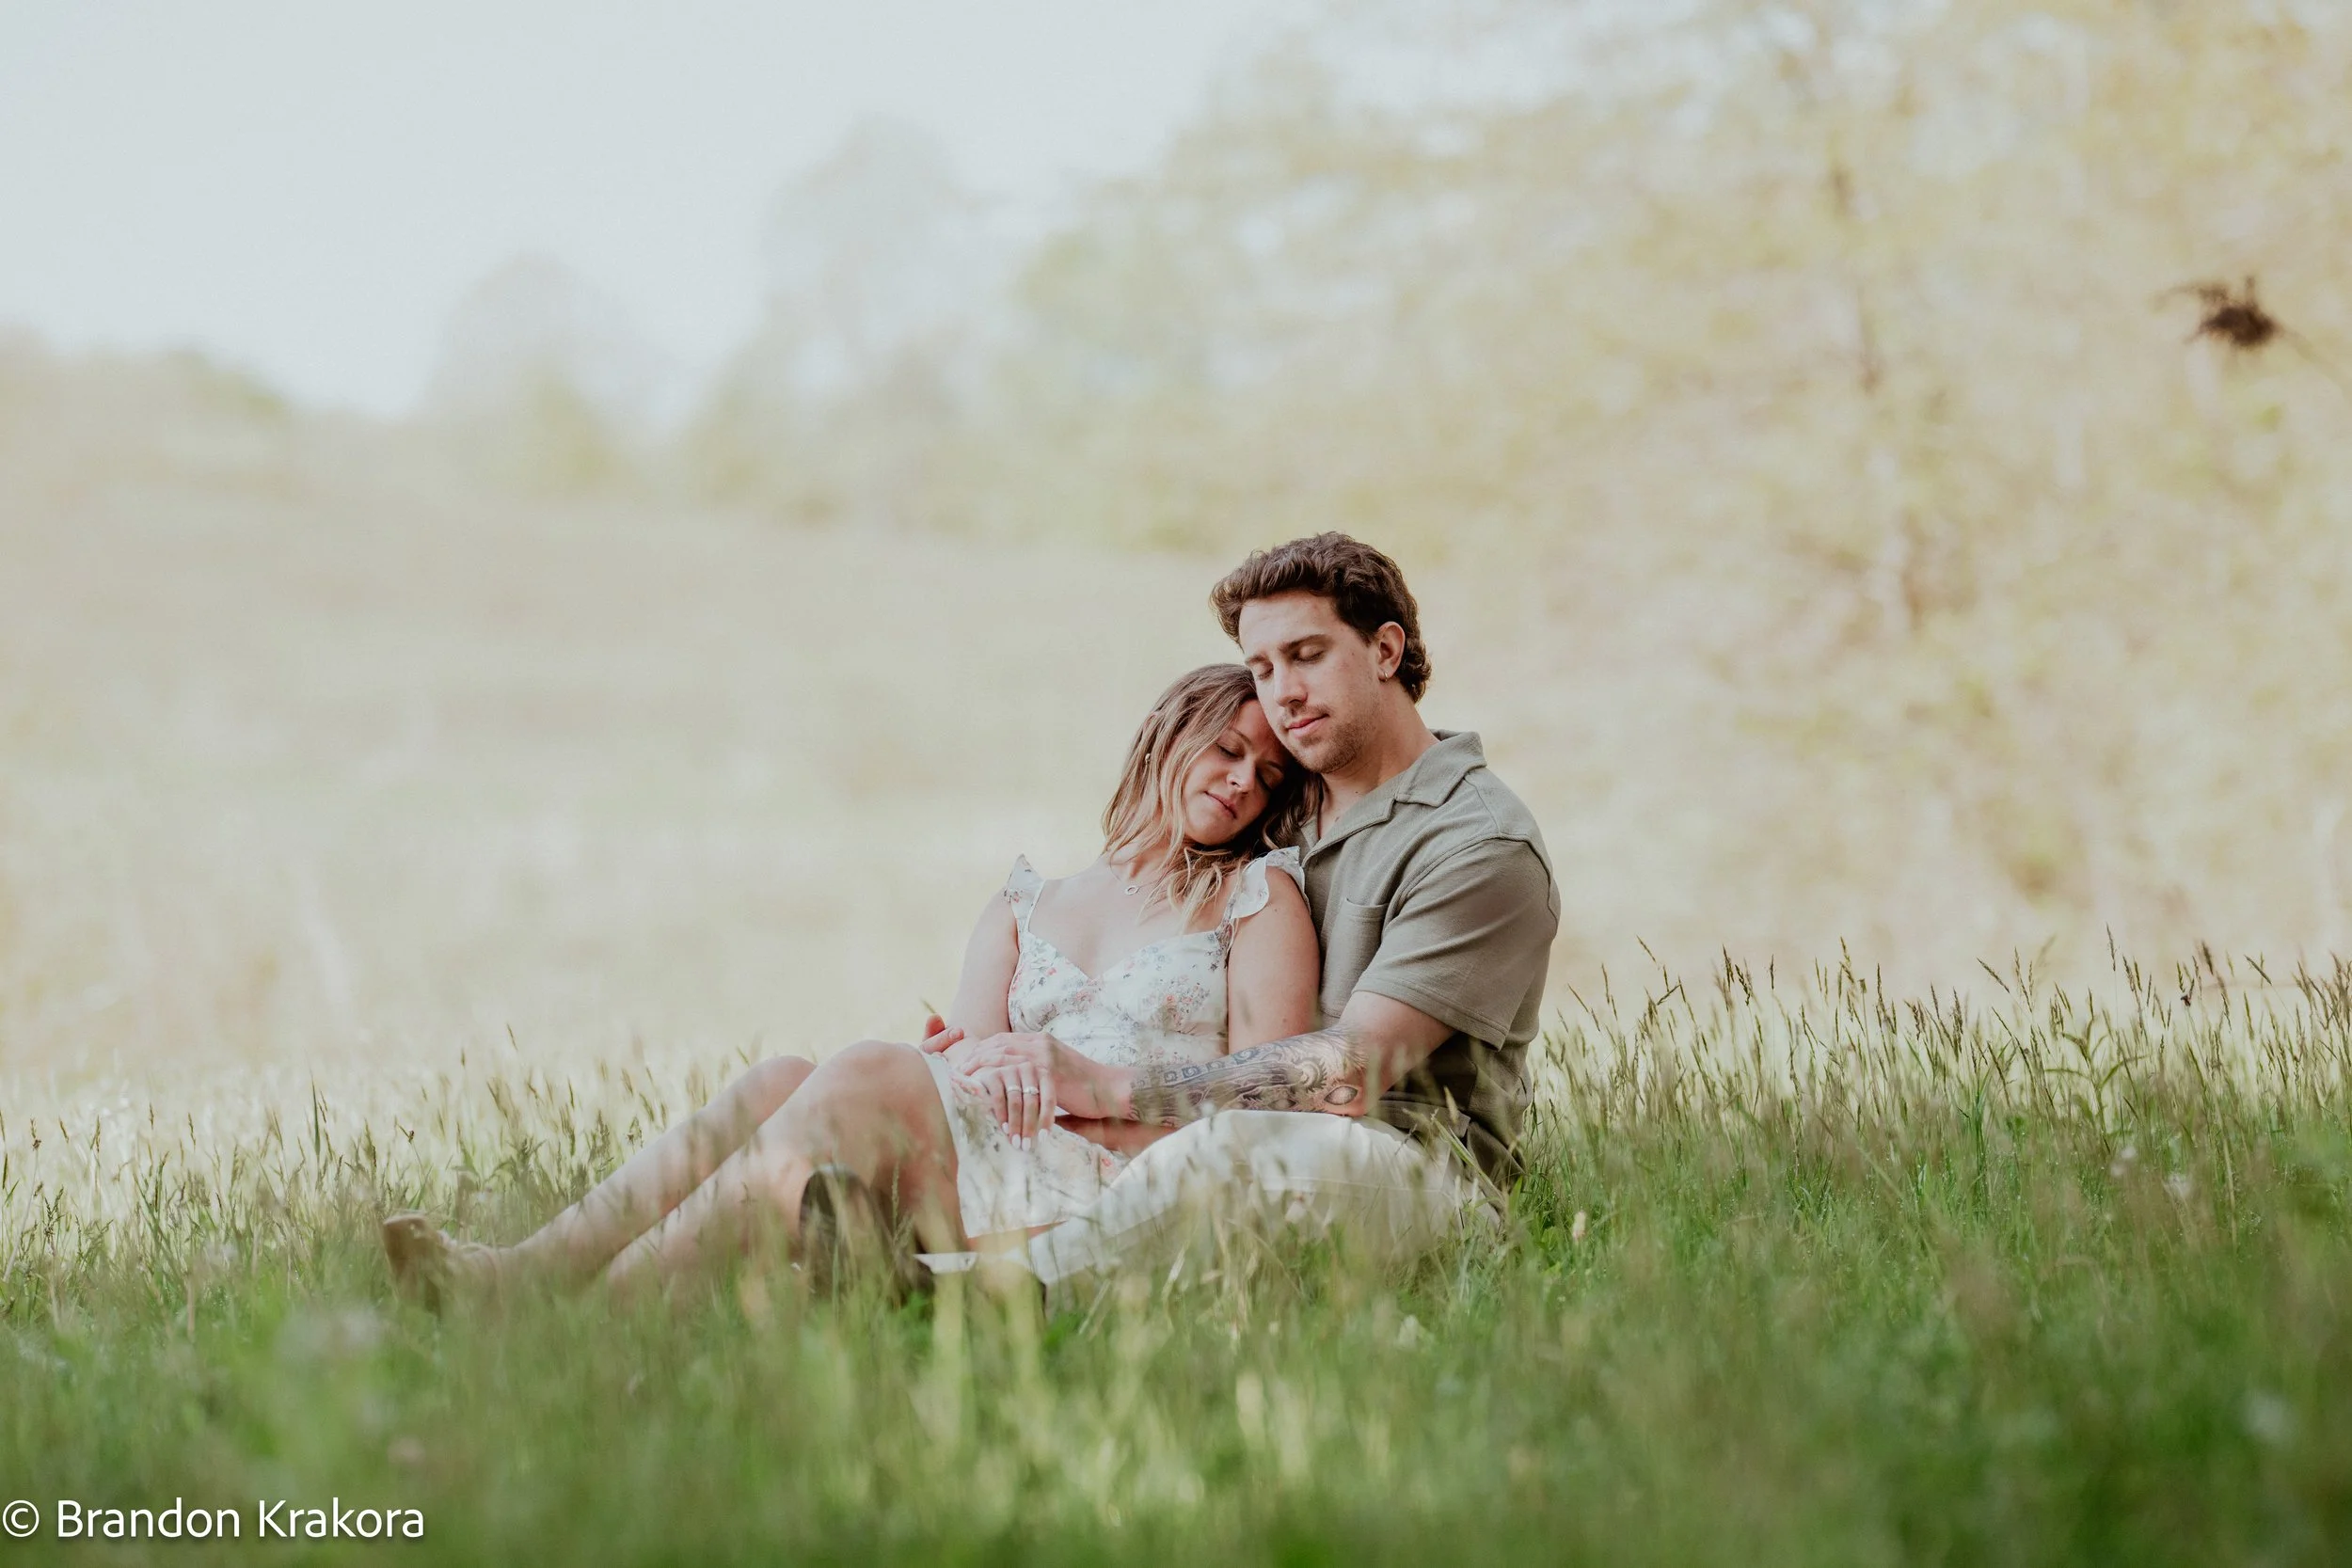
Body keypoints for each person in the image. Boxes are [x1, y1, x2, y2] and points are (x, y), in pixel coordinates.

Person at [382, 662, 1321, 1306]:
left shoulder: (1255, 896)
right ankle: (532, 1271)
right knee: (781, 1075)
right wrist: (971, 1062)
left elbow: (1271, 1094)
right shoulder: (1025, 903)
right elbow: (967, 1060)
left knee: (867, 1068)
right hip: (986, 1153)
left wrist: (1089, 1086)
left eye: (1266, 774)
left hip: (1109, 1174)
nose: (1243, 782)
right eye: (1227, 750)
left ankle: (578, 1318)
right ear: (1166, 737)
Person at [942, 531, 1561, 1295]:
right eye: (1263, 668)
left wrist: (1104, 1085)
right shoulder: (1275, 808)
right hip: (1233, 1136)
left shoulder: (1476, 841)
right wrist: (993, 1054)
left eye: (1307, 654)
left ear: (1386, 650)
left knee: (1221, 1156)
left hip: (1406, 1167)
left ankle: (979, 1299)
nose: (1283, 692)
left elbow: (1353, 1072)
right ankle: (865, 1254)